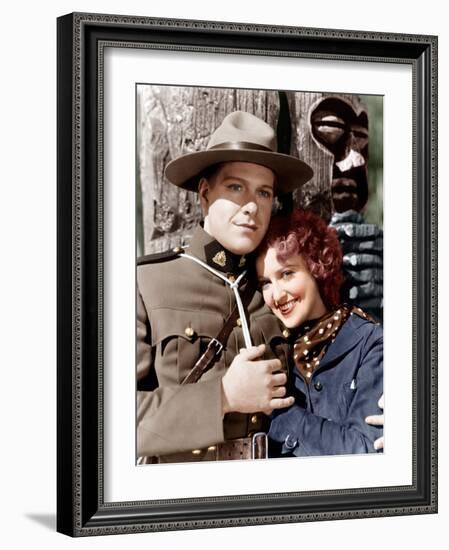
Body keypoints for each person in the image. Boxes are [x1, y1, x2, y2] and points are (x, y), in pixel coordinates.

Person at [137, 110, 314, 463]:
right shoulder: (146, 283)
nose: (251, 206)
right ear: (204, 194)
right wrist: (222, 396)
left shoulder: (280, 289)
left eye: (264, 193)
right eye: (235, 187)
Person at [254, 208, 383, 456]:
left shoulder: (371, 343)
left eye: (287, 273)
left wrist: (279, 414)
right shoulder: (273, 350)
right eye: (266, 283)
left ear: (317, 267)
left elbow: (364, 451)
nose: (277, 295)